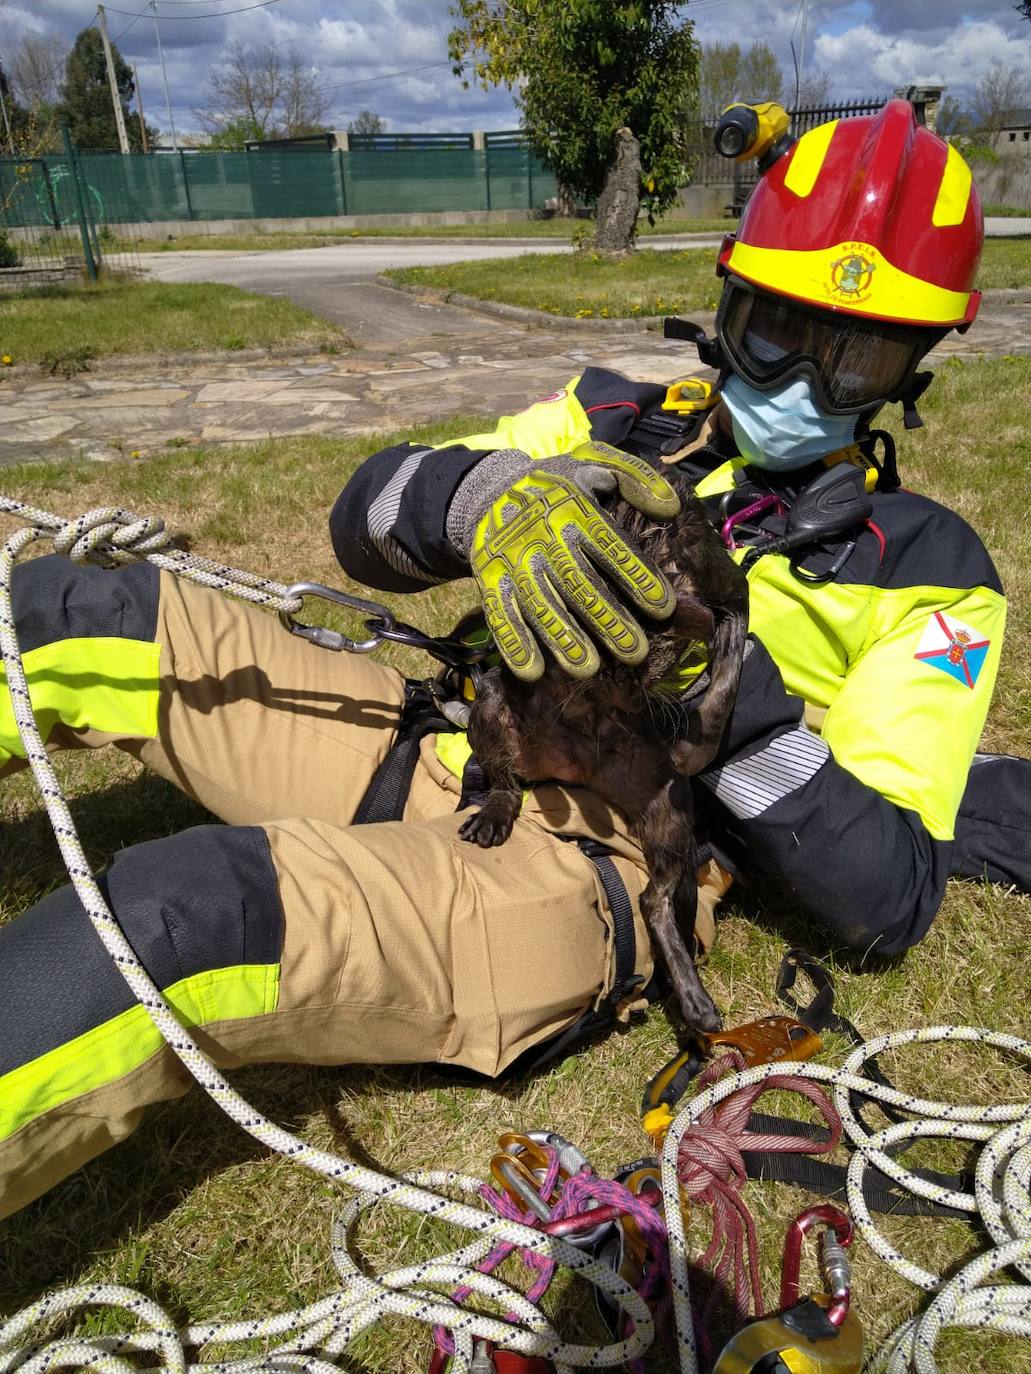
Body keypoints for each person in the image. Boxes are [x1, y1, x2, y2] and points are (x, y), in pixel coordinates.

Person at [1, 99, 1027, 1219]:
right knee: (64, 613)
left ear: (912, 371)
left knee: (186, 915)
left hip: (603, 861)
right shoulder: (615, 417)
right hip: (446, 731)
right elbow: (367, 508)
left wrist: (715, 693)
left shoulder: (927, 570)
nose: (801, 386)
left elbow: (886, 894)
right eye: (777, 333)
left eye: (857, 359)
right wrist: (475, 499)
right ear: (728, 307)